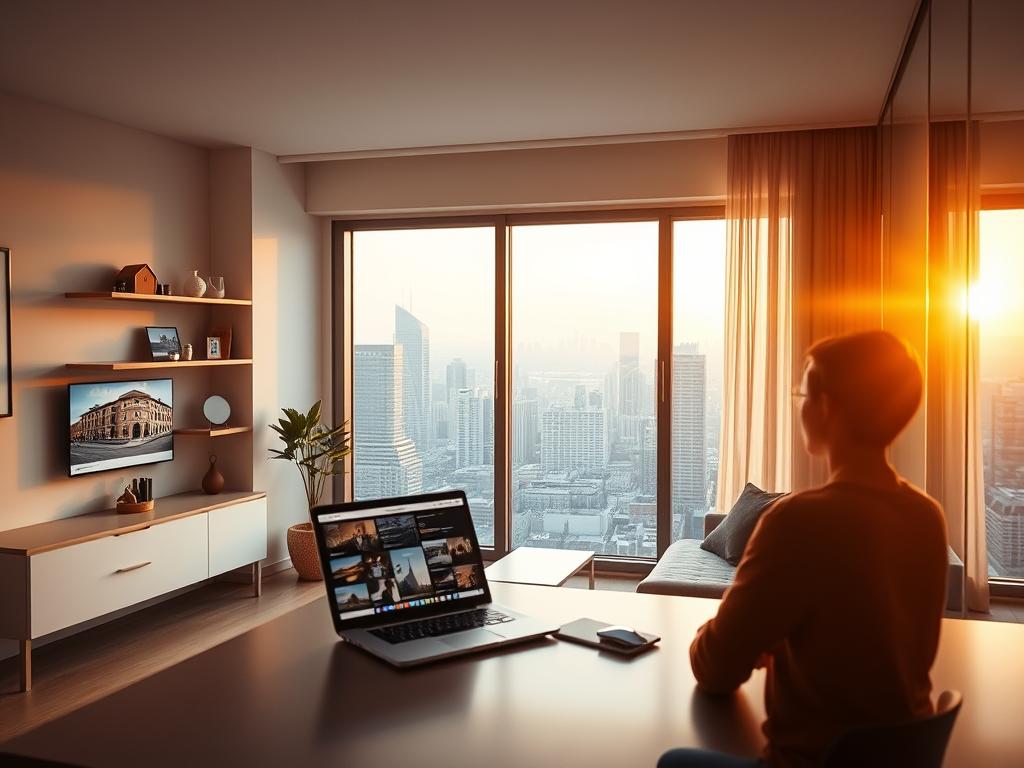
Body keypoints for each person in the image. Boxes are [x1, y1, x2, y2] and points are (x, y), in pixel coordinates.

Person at [659, 331, 949, 768]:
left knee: (671, 760)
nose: (799, 405)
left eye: (802, 392)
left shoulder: (797, 521)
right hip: (902, 759)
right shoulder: (927, 517)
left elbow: (715, 668)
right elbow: (874, 638)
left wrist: (720, 635)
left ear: (827, 408)